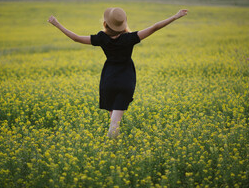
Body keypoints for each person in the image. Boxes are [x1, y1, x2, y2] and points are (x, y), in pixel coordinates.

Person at [48, 7, 188, 138]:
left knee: (113, 119)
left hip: (109, 80)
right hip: (126, 80)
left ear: (106, 23)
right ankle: (112, 148)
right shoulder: (129, 38)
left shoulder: (102, 38)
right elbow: (154, 27)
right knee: (115, 122)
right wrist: (175, 17)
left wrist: (57, 24)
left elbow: (76, 38)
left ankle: (112, 149)